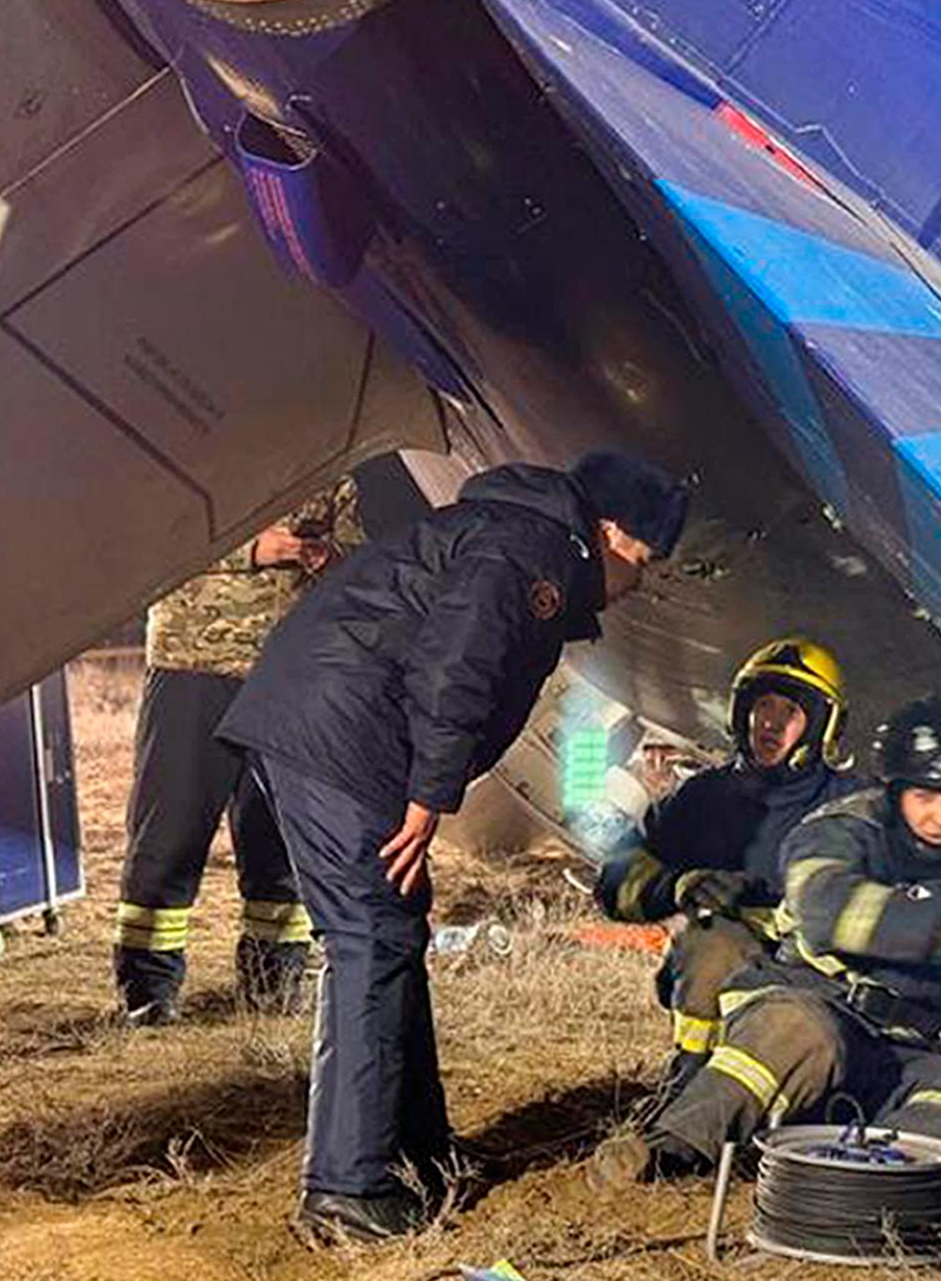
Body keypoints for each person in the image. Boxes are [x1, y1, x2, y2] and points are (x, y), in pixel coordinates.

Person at [217, 450, 687, 1244]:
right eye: (644, 559)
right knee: (367, 940)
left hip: (337, 725)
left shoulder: (516, 537)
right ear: (608, 532)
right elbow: (456, 665)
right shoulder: (530, 552)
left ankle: (417, 1157)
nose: (641, 582)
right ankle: (346, 1190)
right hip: (340, 736)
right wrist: (431, 795)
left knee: (394, 932)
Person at [612, 698, 941, 1180]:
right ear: (894, 792)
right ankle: (668, 1151)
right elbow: (824, 911)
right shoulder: (842, 828)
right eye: (924, 798)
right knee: (801, 1032)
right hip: (813, 1003)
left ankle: (870, 1181)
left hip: (907, 1049)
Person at [114, 478, 362, 1026]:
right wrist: (253, 550)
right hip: (192, 664)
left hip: (287, 672)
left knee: (277, 836)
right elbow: (152, 537)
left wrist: (330, 556)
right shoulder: (201, 456)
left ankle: (275, 983)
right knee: (169, 830)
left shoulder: (330, 464)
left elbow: (358, 551)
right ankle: (148, 991)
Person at [592, 637, 862, 1100]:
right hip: (726, 970)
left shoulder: (855, 807)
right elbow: (615, 879)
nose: (771, 724)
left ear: (820, 726)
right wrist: (677, 886)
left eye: (790, 713)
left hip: (824, 978)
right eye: (764, 707)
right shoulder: (702, 798)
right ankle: (691, 1080)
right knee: (711, 946)